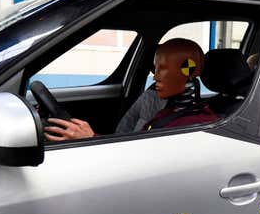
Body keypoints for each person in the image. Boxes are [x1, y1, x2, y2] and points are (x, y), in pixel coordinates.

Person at [44, 38, 216, 140]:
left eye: (163, 68)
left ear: (189, 70)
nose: (156, 77)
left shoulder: (194, 126)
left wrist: (91, 139)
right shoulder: (165, 111)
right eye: (155, 69)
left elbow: (141, 165)